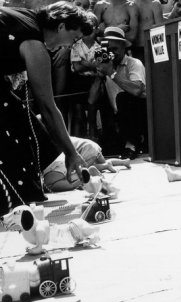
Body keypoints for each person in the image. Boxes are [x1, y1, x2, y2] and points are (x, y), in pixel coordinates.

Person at [0, 2, 92, 215]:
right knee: (11, 125)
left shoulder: (25, 17)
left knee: (20, 115)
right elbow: (48, 108)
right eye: (74, 39)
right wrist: (71, 153)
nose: (71, 45)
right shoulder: (34, 44)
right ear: (60, 27)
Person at [94, 26, 147, 159]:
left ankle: (131, 144)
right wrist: (99, 75)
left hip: (139, 114)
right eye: (109, 50)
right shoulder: (106, 65)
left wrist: (111, 73)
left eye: (115, 49)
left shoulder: (134, 63)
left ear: (124, 47)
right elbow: (91, 99)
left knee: (124, 97)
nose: (112, 53)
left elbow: (136, 90)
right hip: (117, 117)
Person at [44, 137, 130, 192]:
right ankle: (122, 162)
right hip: (92, 147)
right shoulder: (62, 137)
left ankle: (102, 167)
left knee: (82, 168)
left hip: (86, 150)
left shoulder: (59, 141)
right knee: (104, 162)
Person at [70, 11, 100, 140]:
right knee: (79, 115)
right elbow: (76, 68)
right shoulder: (76, 46)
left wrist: (84, 62)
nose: (87, 32)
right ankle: (78, 145)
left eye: (91, 29)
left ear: (96, 30)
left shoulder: (99, 48)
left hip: (93, 81)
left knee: (92, 115)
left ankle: (94, 142)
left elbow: (100, 67)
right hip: (78, 82)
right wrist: (92, 65)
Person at [132, 0, 163, 65]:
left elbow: (160, 30)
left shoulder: (155, 4)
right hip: (134, 48)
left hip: (150, 48)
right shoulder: (131, 4)